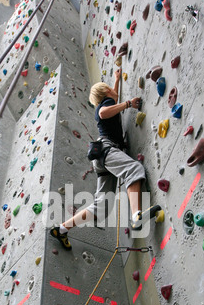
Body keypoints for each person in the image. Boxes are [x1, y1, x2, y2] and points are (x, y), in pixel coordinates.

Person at [50, 69, 147, 250]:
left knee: (101, 207)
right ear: (104, 93)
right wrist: (128, 104)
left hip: (101, 157)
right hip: (107, 151)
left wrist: (117, 79)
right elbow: (104, 112)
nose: (113, 90)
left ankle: (62, 229)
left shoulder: (108, 102)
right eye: (109, 87)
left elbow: (112, 100)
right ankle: (136, 216)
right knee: (133, 169)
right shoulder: (104, 106)